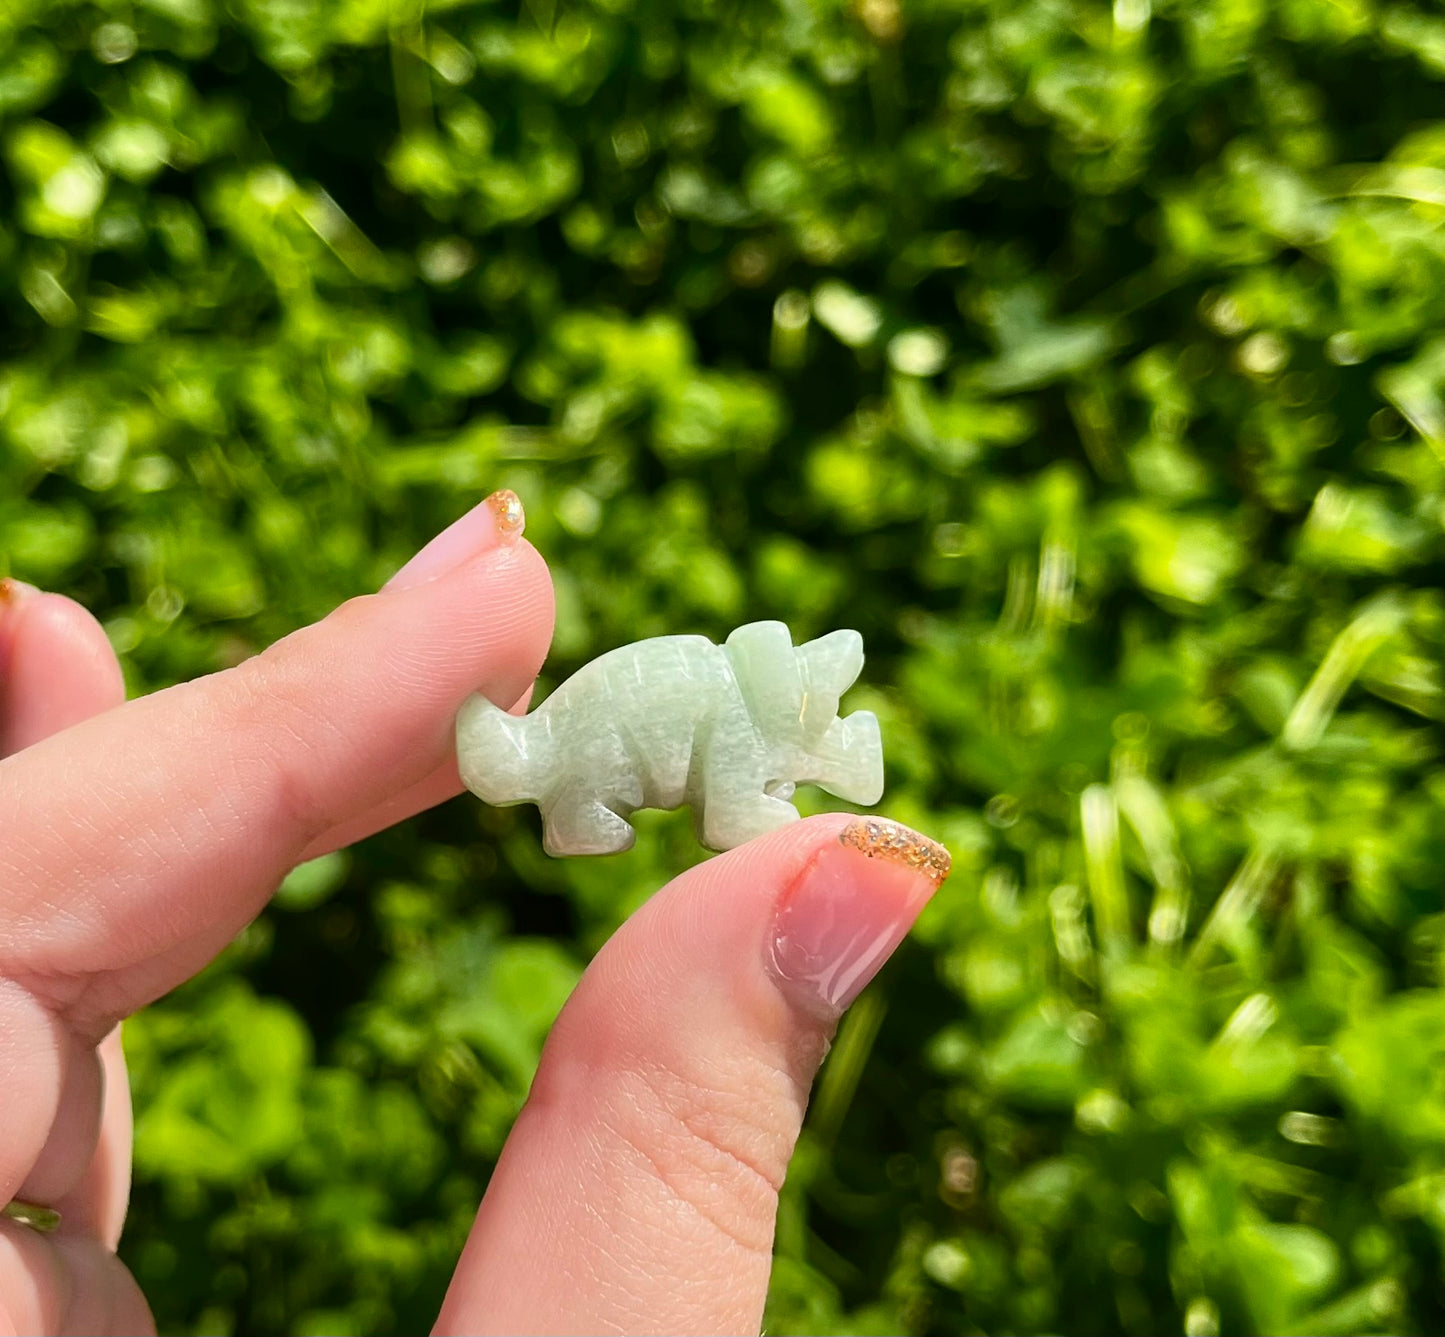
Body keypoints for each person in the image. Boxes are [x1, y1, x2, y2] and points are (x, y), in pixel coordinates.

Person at [0, 490, 949, 1336]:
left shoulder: (750, 712)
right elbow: (743, 814)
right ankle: (577, 809)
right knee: (597, 783)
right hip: (599, 740)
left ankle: (578, 807)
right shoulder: (744, 723)